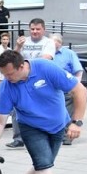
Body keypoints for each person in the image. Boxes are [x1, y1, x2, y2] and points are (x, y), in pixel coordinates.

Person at [7, 18, 55, 149]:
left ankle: (43, 136)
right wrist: (17, 46)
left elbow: (45, 60)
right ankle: (18, 138)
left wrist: (26, 65)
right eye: (32, 29)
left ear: (43, 29)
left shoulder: (48, 42)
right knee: (17, 109)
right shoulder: (23, 41)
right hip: (22, 80)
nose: (35, 31)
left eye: (38, 29)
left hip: (40, 80)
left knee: (41, 108)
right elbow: (12, 59)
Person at [51, 33, 84, 146]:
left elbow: (78, 71)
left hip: (66, 89)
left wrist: (76, 86)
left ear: (59, 43)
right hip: (51, 90)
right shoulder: (47, 54)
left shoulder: (69, 54)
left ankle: (67, 136)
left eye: (52, 41)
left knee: (67, 113)